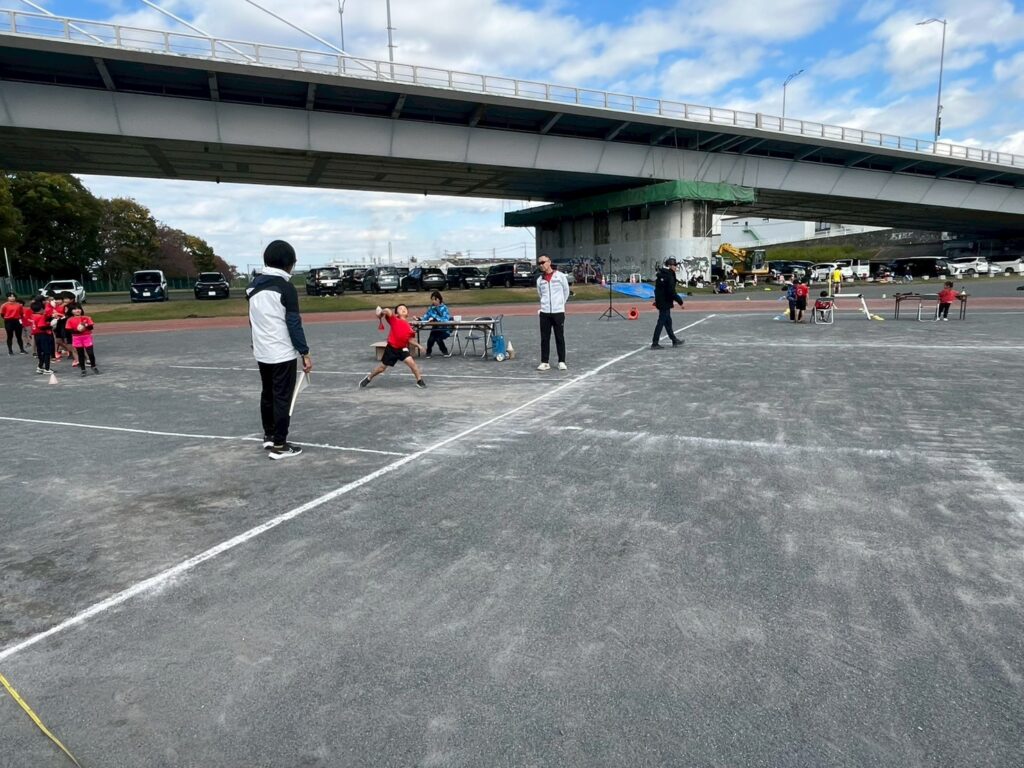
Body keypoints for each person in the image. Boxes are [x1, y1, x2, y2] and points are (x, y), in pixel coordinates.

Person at [246, 240, 312, 460]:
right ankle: (280, 445)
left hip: (262, 351)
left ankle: (269, 435)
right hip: (282, 351)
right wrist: (304, 352)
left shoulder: (253, 287)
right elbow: (294, 323)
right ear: (288, 263)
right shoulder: (286, 288)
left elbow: (252, 320)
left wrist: (255, 341)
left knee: (268, 394)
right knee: (283, 397)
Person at [360, 304, 426, 388]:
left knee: (412, 364)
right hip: (391, 349)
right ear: (396, 314)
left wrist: (419, 346)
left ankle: (419, 381)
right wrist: (381, 313)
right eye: (400, 308)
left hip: (402, 349)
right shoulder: (394, 320)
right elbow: (388, 310)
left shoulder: (409, 328)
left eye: (405, 308)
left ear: (407, 314)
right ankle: (369, 378)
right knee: (381, 368)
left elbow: (410, 340)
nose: (403, 309)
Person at [535, 254, 570, 370]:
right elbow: (540, 294)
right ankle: (545, 362)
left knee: (559, 337)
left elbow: (566, 291)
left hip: (558, 312)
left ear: (549, 262)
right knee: (545, 338)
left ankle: (561, 361)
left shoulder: (560, 276)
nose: (541, 265)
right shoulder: (539, 280)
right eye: (539, 263)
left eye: (543, 262)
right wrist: (545, 305)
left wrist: (560, 304)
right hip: (545, 313)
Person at [651, 257, 685, 348]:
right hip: (664, 302)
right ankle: (655, 343)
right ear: (669, 266)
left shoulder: (663, 275)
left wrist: (657, 300)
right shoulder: (669, 276)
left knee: (668, 321)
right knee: (661, 322)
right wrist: (680, 302)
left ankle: (674, 340)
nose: (676, 267)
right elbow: (671, 292)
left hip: (663, 301)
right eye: (674, 265)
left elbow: (658, 290)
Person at [65, 303, 99, 375]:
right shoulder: (70, 320)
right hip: (77, 338)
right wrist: (78, 330)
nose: (77, 310)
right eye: (74, 309)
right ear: (71, 311)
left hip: (87, 337)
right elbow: (69, 330)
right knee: (80, 354)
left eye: (78, 309)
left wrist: (85, 325)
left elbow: (91, 327)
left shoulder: (86, 318)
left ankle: (93, 366)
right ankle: (83, 369)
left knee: (90, 353)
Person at [418, 291, 453, 358]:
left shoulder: (444, 308)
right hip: (435, 328)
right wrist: (419, 319)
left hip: (444, 328)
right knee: (431, 339)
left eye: (435, 299)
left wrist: (436, 318)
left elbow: (445, 319)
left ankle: (445, 351)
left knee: (437, 338)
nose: (433, 301)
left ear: (439, 299)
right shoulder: (431, 308)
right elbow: (426, 317)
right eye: (432, 299)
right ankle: (428, 352)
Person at [27, 296, 54, 375]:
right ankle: (47, 368)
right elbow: (42, 326)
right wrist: (51, 326)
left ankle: (40, 366)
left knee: (40, 351)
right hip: (43, 335)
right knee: (46, 352)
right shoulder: (41, 316)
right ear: (41, 309)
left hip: (37, 335)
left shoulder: (33, 315)